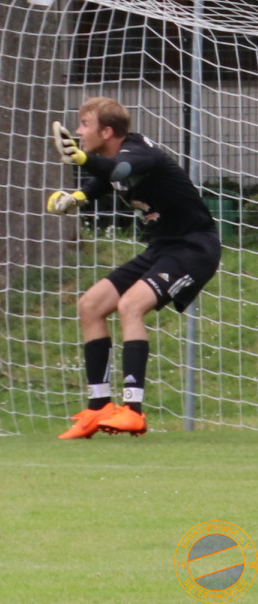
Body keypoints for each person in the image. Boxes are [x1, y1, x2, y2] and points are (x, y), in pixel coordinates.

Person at [47, 96, 221, 439]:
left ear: (107, 131)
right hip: (162, 248)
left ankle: (133, 411)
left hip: (193, 248)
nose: (78, 131)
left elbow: (118, 172)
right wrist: (75, 199)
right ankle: (99, 407)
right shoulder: (114, 158)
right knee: (91, 304)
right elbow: (104, 181)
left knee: (130, 305)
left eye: (84, 125)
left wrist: (80, 158)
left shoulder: (138, 153)